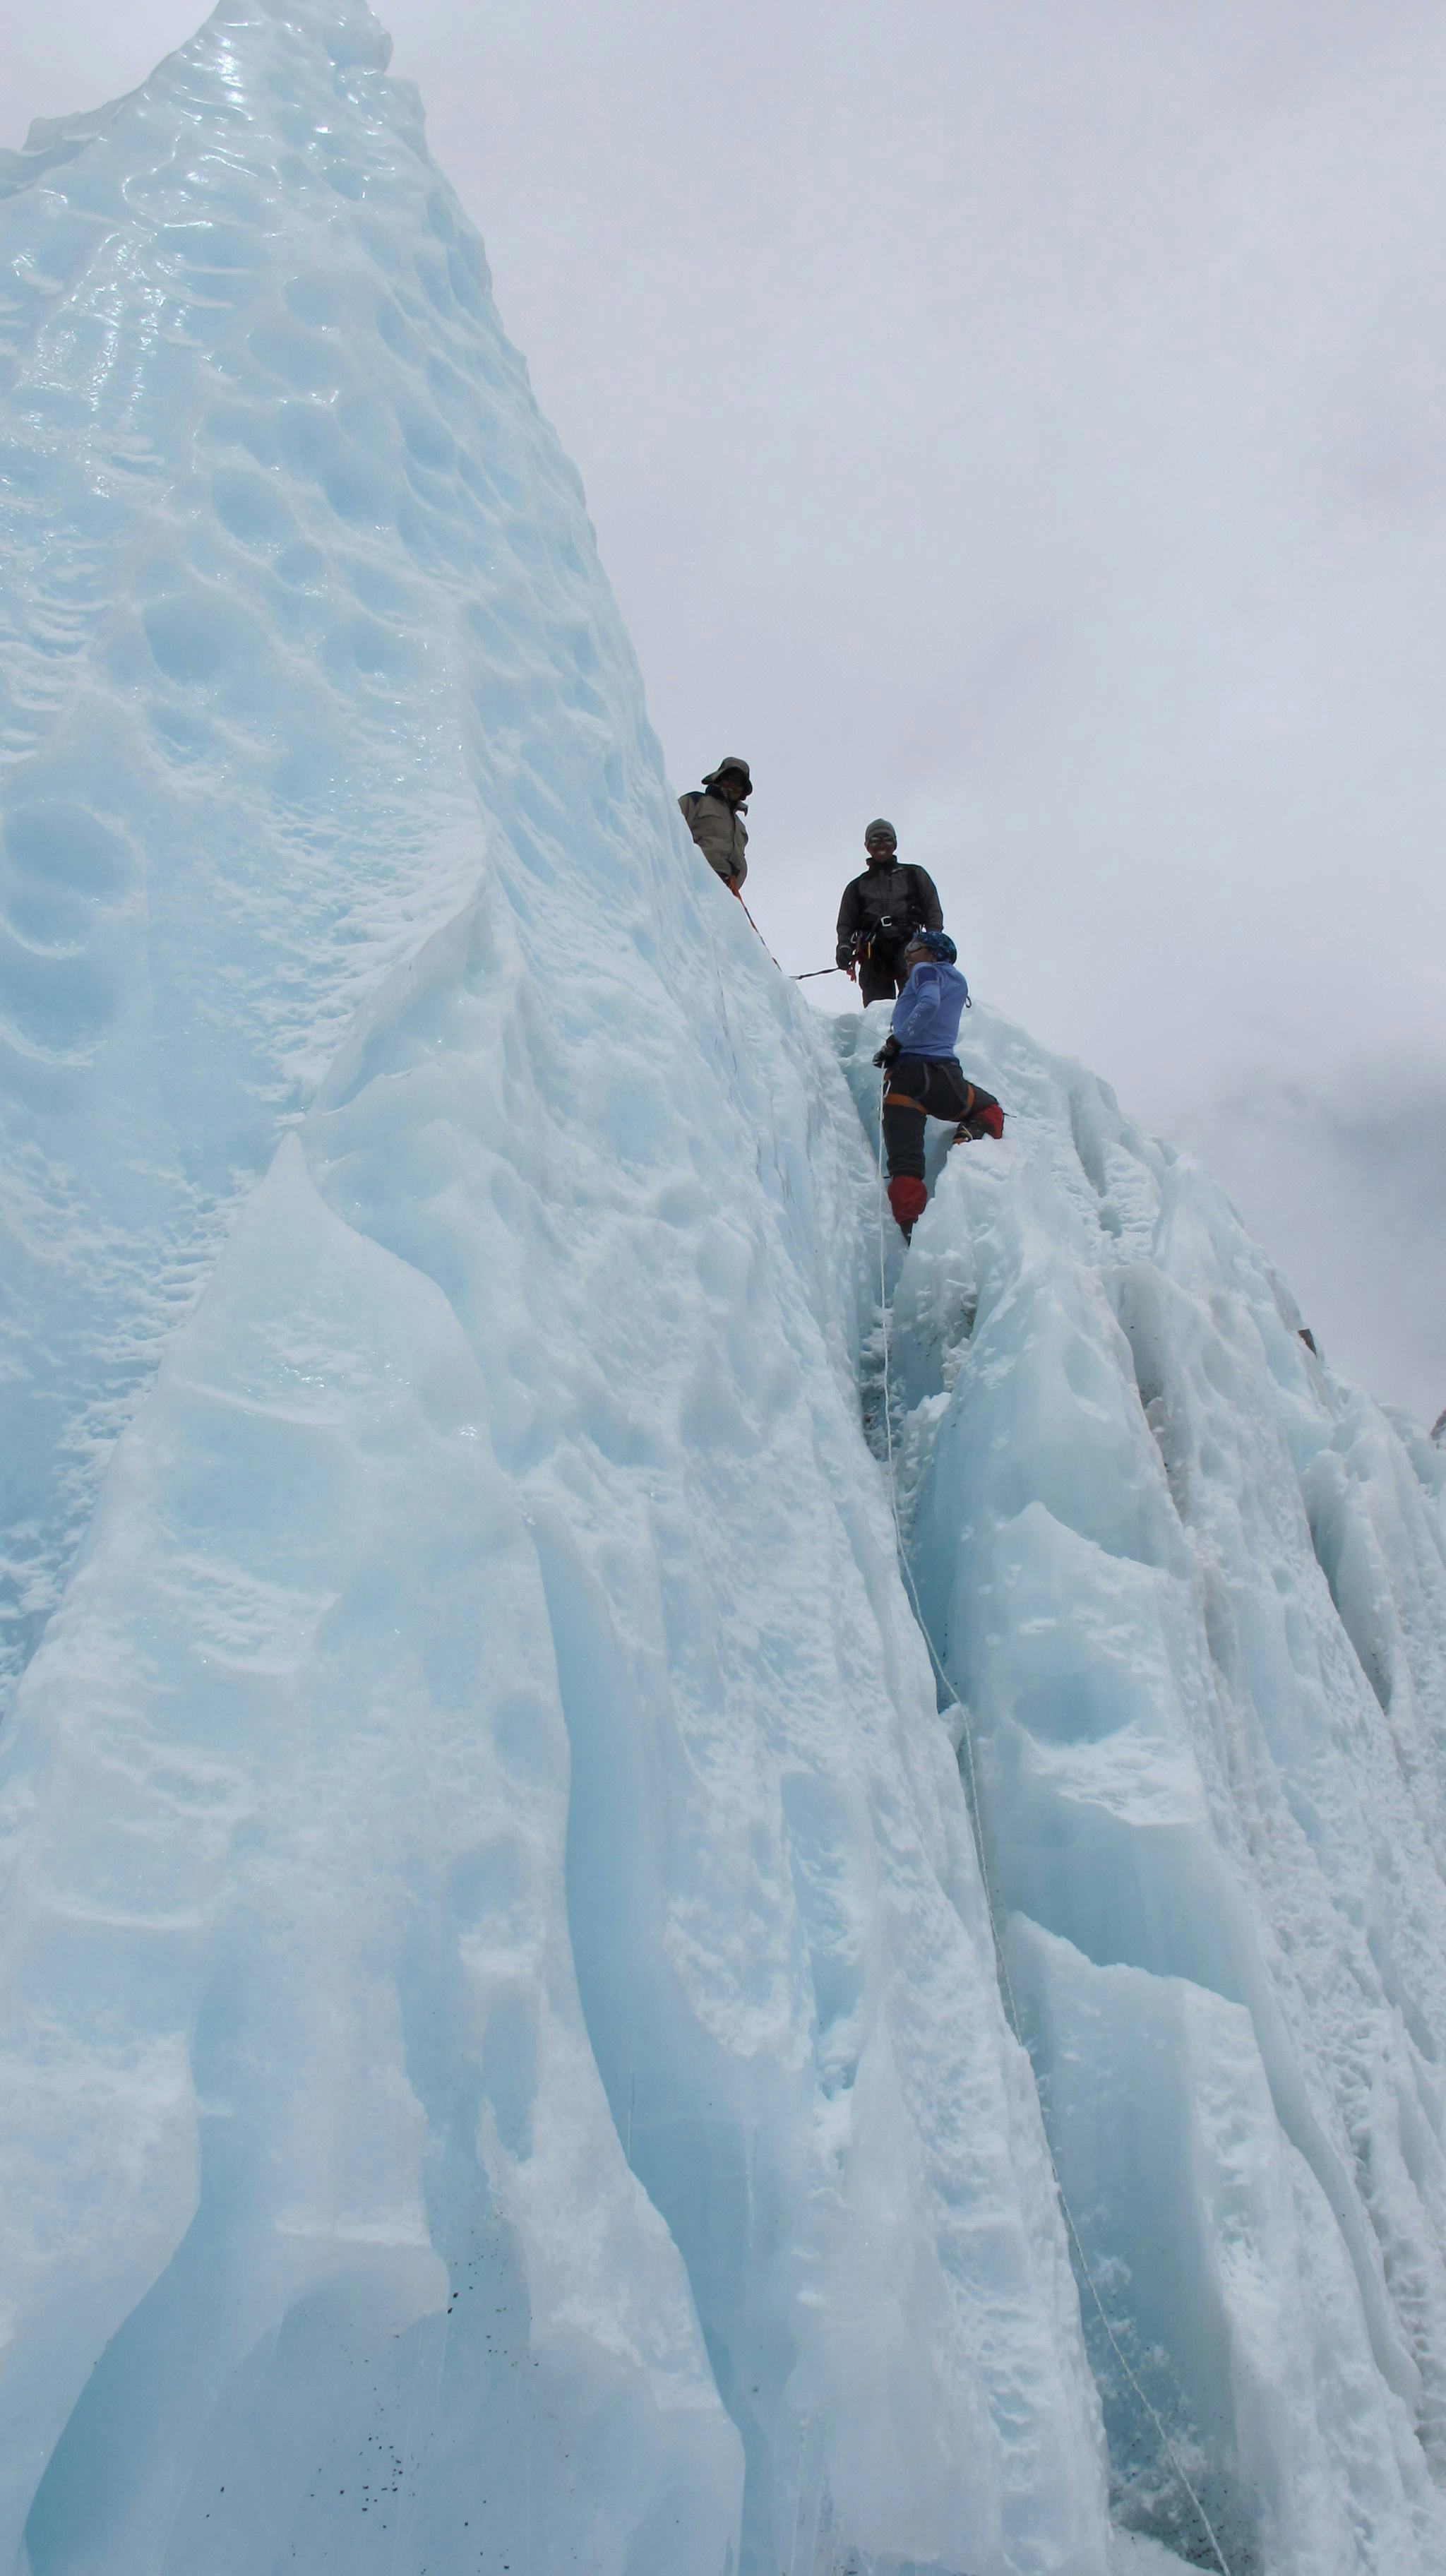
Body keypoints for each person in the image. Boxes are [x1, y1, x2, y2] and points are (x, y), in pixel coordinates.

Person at [873, 930, 1003, 1237]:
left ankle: (911, 1235)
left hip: (904, 1080)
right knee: (988, 1108)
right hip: (941, 1079)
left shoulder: (926, 970)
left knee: (905, 1165)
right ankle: (970, 1132)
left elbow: (929, 1004)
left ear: (933, 953)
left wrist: (897, 1041)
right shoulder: (956, 982)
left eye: (914, 947)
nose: (907, 954)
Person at [836, 820, 943, 1003]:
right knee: (878, 1008)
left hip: (911, 947)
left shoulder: (914, 875)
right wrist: (845, 947)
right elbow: (846, 923)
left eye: (886, 839)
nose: (881, 845)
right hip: (873, 951)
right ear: (867, 845)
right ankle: (882, 1032)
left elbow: (932, 909)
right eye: (876, 840)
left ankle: (914, 1030)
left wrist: (934, 939)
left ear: (895, 843)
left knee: (915, 1001)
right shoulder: (857, 887)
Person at [679, 758, 752, 891]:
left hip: (726, 891)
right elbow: (669, 829)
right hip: (693, 879)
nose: (733, 785)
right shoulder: (695, 801)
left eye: (739, 783)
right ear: (719, 778)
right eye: (729, 778)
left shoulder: (740, 827)